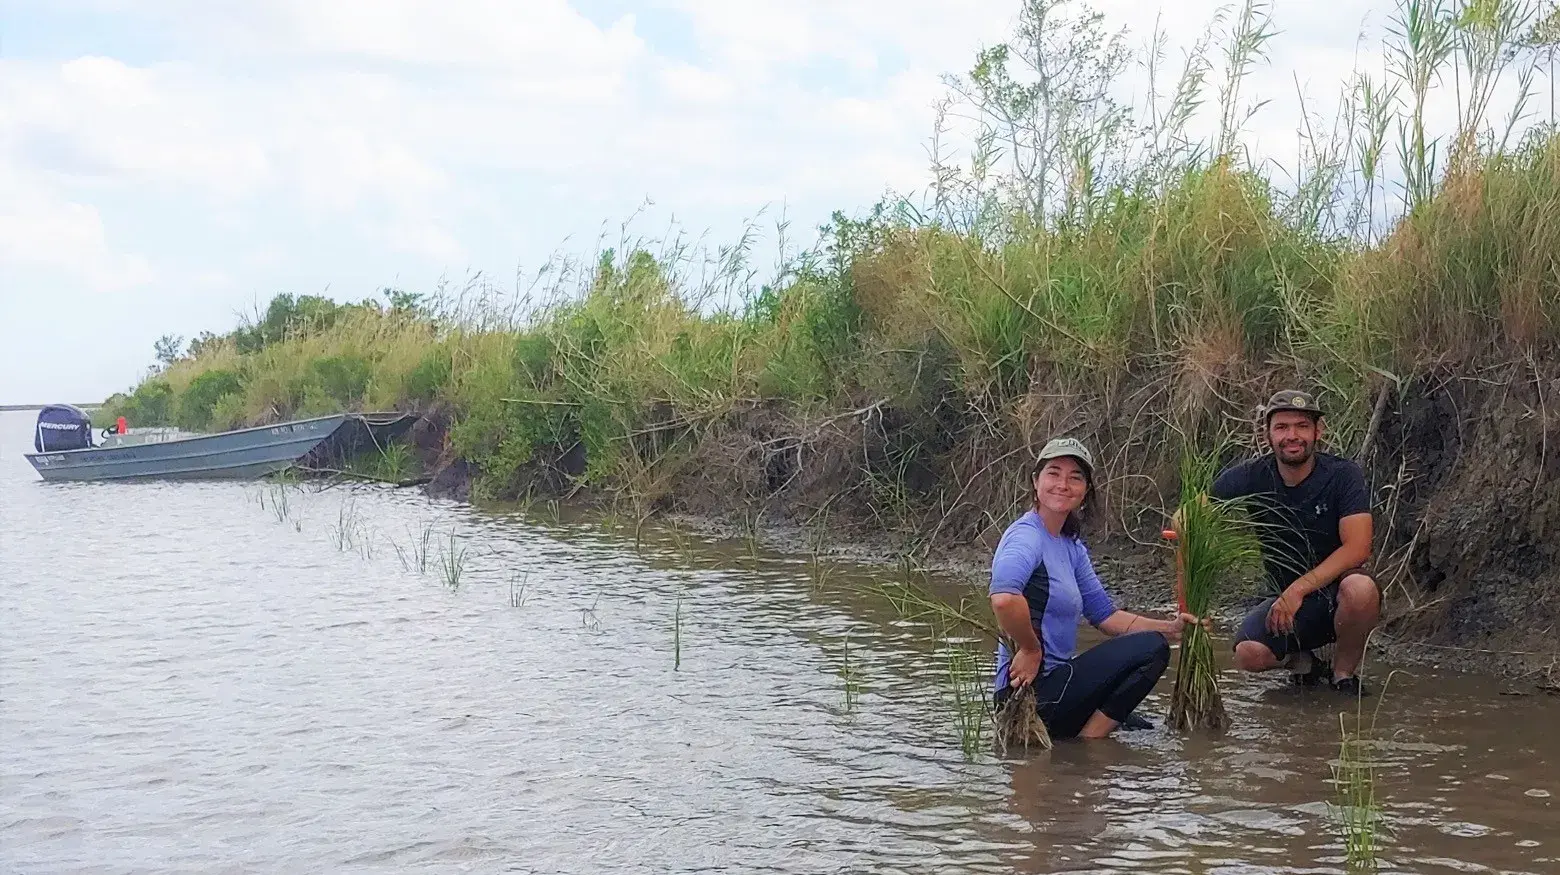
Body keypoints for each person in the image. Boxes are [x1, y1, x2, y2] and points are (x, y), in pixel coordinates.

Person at [989, 437, 1201, 740]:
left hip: (1056, 686)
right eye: (1053, 473)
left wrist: (1171, 628)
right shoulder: (1026, 537)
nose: (1063, 484)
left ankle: (1081, 745)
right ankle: (1089, 745)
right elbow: (1004, 598)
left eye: (1075, 477)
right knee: (1152, 649)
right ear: (1036, 482)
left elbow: (1105, 616)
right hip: (1027, 694)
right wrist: (1030, 649)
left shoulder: (1070, 545)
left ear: (1086, 490)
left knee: (1140, 726)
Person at [1211, 389, 1380, 695]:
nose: (1292, 436)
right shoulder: (1251, 476)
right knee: (1249, 654)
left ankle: (1343, 674)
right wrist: (1183, 519)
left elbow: (1358, 547)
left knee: (1360, 589)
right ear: (1267, 435)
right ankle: (1305, 665)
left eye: (1302, 426)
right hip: (1284, 603)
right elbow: (1194, 513)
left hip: (1337, 594)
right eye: (1282, 427)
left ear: (1318, 431)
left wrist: (1298, 589)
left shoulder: (1343, 475)